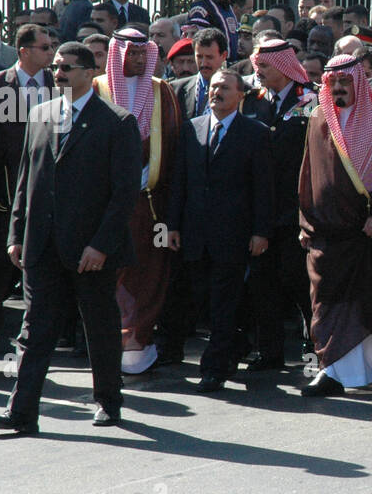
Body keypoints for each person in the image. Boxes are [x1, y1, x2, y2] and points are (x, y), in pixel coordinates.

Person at [0, 42, 141, 435]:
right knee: (34, 331)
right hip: (42, 245)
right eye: (55, 67)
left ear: (90, 72)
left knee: (99, 327)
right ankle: (21, 411)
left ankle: (108, 401)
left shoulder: (117, 122)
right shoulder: (40, 115)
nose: (59, 73)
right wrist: (16, 234)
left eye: (68, 67)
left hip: (90, 250)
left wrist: (102, 244)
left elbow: (125, 193)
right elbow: (25, 181)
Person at [296, 53, 372, 397]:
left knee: (370, 302)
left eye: (346, 81)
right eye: (333, 83)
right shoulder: (318, 117)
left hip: (368, 231)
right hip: (327, 235)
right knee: (327, 303)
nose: (339, 88)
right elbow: (308, 176)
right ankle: (331, 372)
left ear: (358, 81)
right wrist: (305, 222)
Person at [165, 69, 272, 392]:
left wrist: (260, 231)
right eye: (213, 87)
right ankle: (234, 344)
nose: (217, 93)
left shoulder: (255, 133)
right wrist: (172, 225)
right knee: (205, 300)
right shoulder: (191, 130)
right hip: (195, 234)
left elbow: (263, 188)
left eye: (225, 88)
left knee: (224, 301)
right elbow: (179, 181)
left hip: (234, 233)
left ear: (241, 95)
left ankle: (214, 368)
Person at [92, 27, 182, 375]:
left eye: (144, 53)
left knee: (150, 274)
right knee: (108, 274)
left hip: (152, 205)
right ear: (118, 54)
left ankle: (139, 342)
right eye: (132, 53)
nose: (139, 59)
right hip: (107, 205)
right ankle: (109, 343)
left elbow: (173, 150)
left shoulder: (163, 92)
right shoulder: (98, 89)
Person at [0, 23, 56, 352]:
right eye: (45, 48)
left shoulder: (58, 85)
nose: (51, 53)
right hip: (1, 198)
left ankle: (40, 339)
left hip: (48, 194)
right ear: (24, 51)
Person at [238, 40, 317, 372]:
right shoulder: (253, 102)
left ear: (284, 66)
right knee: (262, 283)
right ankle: (269, 352)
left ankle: (315, 351)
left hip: (294, 207)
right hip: (260, 209)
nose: (259, 72)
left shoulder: (310, 100)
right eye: (256, 66)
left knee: (300, 283)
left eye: (265, 66)